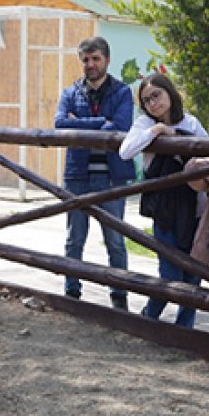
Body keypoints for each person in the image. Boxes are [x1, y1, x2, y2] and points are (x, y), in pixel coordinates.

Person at [118, 73, 208, 327]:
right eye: (146, 100)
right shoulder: (145, 124)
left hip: (194, 205)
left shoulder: (190, 122)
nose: (153, 103)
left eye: (156, 95)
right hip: (164, 208)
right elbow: (126, 151)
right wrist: (157, 131)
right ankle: (149, 318)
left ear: (169, 92)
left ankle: (184, 327)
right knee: (169, 273)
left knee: (193, 272)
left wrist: (179, 139)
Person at [55, 36, 135, 310]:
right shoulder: (70, 92)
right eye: (85, 60)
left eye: (95, 59)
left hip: (112, 176)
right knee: (74, 237)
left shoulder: (122, 92)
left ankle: (120, 293)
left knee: (115, 239)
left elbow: (121, 126)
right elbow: (60, 124)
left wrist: (83, 125)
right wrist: (102, 122)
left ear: (107, 59)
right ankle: (72, 290)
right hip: (77, 174)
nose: (90, 64)